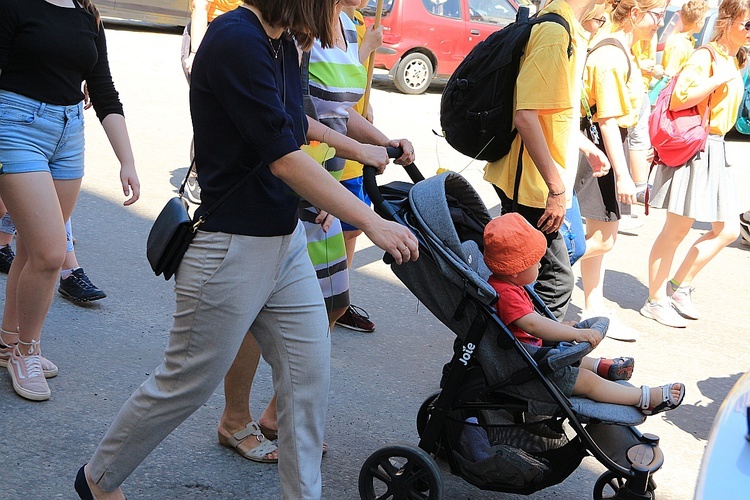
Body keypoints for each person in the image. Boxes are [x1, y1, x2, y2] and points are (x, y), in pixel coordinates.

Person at [75, 2, 418, 499]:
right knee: (185, 383)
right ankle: (97, 480)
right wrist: (369, 220)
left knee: (307, 381)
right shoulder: (237, 37)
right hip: (229, 247)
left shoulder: (281, 40)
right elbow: (281, 156)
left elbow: (293, 125)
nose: (344, 7)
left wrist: (346, 167)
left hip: (285, 243)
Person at [216, 0, 415, 460]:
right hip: (298, 187)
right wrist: (334, 182)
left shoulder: (345, 23)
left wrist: (381, 141)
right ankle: (234, 419)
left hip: (324, 187)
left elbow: (340, 111)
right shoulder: (300, 31)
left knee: (332, 305)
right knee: (253, 315)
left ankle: (276, 415)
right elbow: (291, 125)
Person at [0, 0, 140, 402]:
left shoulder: (86, 12)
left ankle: (9, 342)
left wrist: (126, 160)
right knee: (49, 252)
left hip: (68, 134)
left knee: (30, 250)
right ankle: (27, 351)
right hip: (14, 127)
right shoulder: (14, 6)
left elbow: (103, 89)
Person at [483, 0, 611, 321]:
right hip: (533, 182)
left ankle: (516, 324)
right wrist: (556, 190)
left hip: (546, 175)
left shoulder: (567, 29)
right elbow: (526, 116)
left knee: (569, 250)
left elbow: (557, 113)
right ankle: (530, 353)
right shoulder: (555, 31)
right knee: (556, 281)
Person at [484, 213, 684, 414]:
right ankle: (644, 398)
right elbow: (533, 324)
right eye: (535, 261)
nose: (539, 264)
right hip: (526, 367)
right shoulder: (507, 294)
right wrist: (575, 334)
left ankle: (601, 366)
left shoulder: (506, 284)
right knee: (586, 381)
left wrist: (562, 328)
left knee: (567, 353)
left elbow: (528, 324)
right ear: (516, 270)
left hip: (529, 354)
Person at [642, 0, 745, 328]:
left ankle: (677, 286)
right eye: (747, 25)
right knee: (677, 229)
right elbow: (678, 99)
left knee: (727, 230)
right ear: (726, 20)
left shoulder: (734, 57)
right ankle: (655, 300)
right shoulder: (706, 56)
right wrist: (718, 79)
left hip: (716, 148)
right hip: (697, 146)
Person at [576, 0, 667, 341]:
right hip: (603, 145)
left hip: (606, 143)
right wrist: (624, 173)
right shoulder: (612, 53)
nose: (660, 21)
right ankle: (535, 268)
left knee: (602, 233)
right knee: (603, 237)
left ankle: (593, 306)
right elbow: (608, 120)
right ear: (634, 13)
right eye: (656, 13)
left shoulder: (622, 48)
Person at [335, 0, 384, 333]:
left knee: (351, 228)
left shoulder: (357, 22)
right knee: (337, 223)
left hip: (354, 140)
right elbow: (334, 83)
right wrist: (367, 47)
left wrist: (369, 108)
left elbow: (354, 87)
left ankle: (340, 296)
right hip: (331, 144)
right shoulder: (326, 21)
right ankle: (325, 296)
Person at [661, 0, 711, 78]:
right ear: (698, 22)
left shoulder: (690, 40)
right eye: (704, 19)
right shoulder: (678, 43)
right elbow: (670, 73)